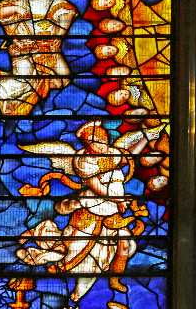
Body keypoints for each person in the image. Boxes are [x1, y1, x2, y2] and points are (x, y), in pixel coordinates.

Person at [17, 121, 163, 309]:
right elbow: (97, 187)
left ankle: (115, 279)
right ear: (87, 144)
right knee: (78, 255)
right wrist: (119, 200)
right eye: (95, 141)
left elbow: (129, 156)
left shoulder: (112, 153)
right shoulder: (83, 162)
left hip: (112, 214)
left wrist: (145, 137)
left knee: (125, 246)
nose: (101, 144)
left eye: (102, 139)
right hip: (92, 210)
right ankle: (52, 266)